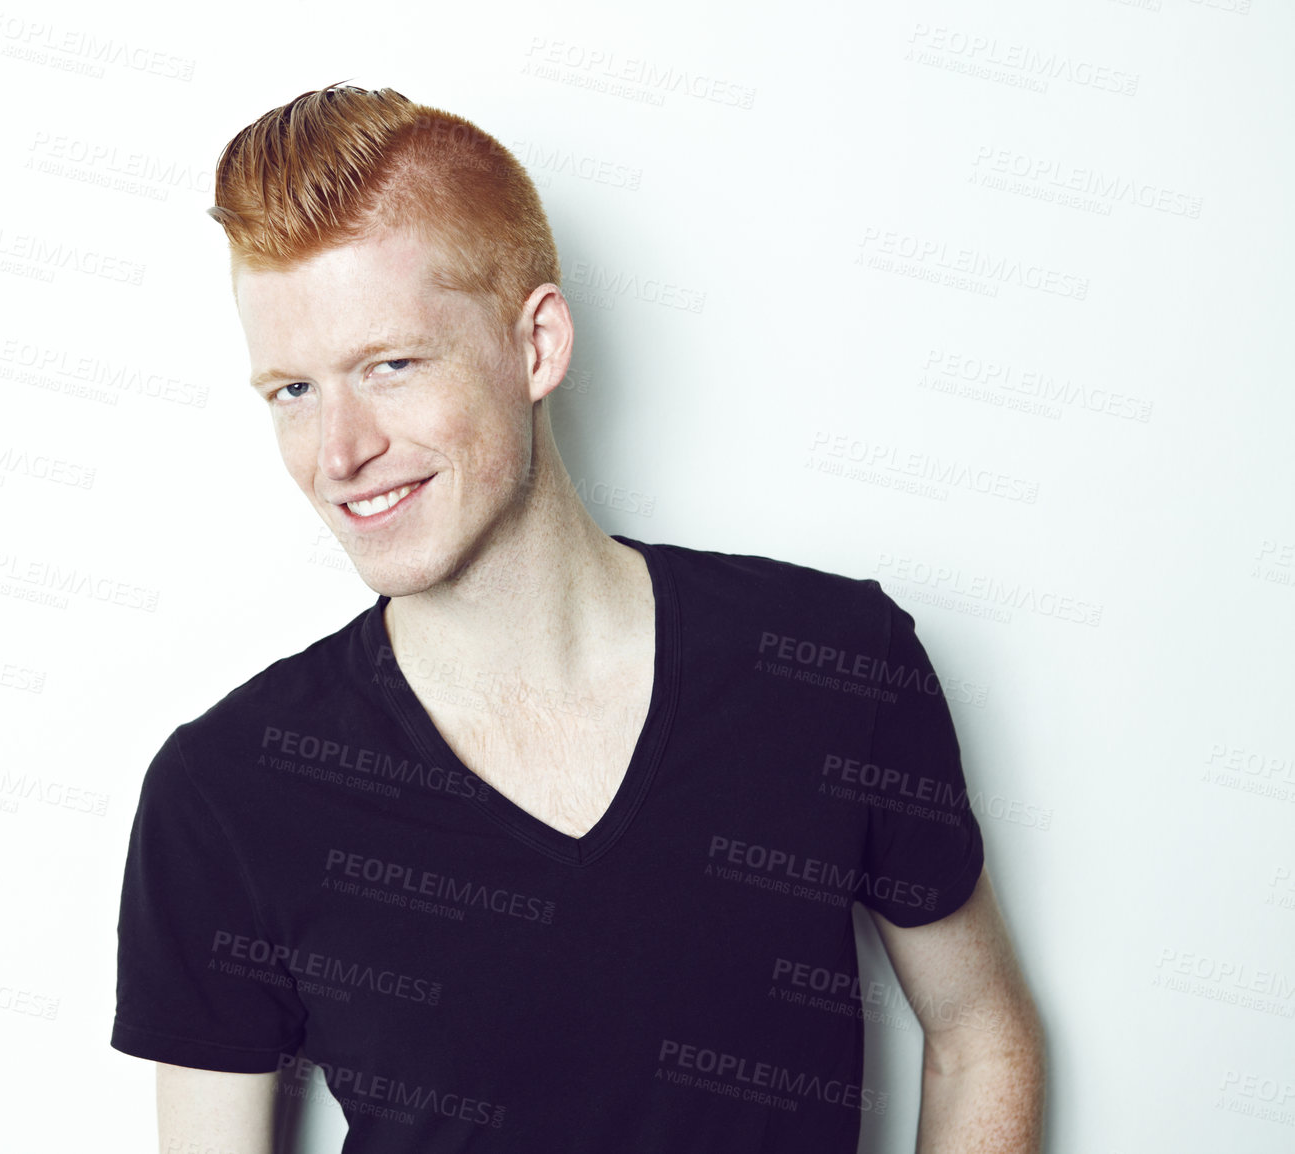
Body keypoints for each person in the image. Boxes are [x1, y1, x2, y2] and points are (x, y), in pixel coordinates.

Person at [112, 83, 1045, 1152]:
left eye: (391, 365)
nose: (338, 453)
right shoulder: (226, 789)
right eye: (292, 390)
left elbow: (979, 1032)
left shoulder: (832, 663)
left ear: (537, 344)